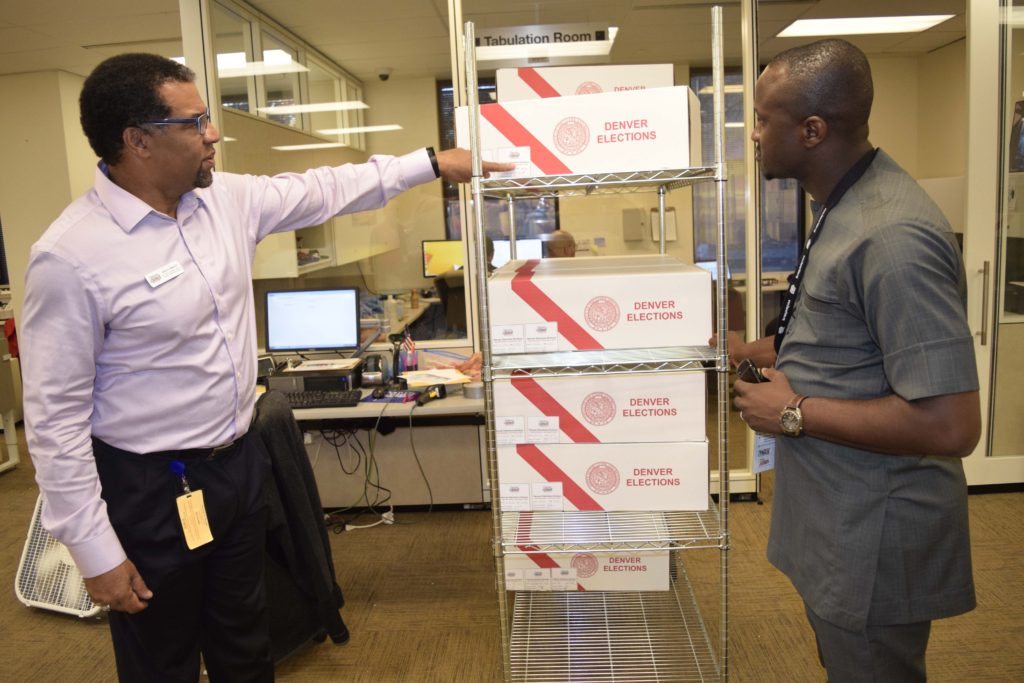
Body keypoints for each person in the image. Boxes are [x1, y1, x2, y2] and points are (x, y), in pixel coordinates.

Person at [19, 53, 511, 682]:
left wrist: (432, 163)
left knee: (248, 644)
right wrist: (94, 552)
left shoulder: (226, 201)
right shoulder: (72, 257)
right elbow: (55, 423)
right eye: (194, 121)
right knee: (160, 659)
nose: (213, 133)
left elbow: (327, 187)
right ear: (137, 141)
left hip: (237, 470)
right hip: (147, 488)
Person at [723, 39, 980, 682]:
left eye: (761, 119)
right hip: (838, 513)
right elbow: (839, 332)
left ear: (812, 130)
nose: (753, 135)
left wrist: (792, 412)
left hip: (875, 528)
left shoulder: (891, 237)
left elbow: (951, 425)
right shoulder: (842, 205)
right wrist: (746, 351)